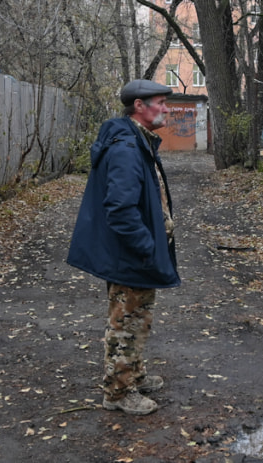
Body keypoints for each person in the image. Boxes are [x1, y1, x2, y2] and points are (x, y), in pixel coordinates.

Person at [67, 79, 179, 415]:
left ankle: (134, 374)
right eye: (160, 102)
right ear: (139, 107)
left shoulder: (135, 140)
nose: (165, 109)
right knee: (127, 322)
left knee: (137, 319)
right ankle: (118, 393)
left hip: (134, 252)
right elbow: (120, 209)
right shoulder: (127, 149)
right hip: (131, 254)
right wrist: (147, 247)